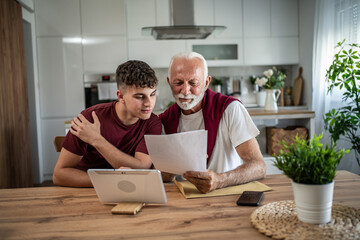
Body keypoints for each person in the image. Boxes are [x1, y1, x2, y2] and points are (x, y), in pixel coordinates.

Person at [159, 52, 266, 193]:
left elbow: (258, 166)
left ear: (206, 83)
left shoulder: (230, 109)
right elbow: (162, 174)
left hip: (227, 196)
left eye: (193, 83)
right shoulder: (164, 121)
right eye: (178, 83)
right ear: (169, 82)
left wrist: (220, 180)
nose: (185, 91)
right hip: (183, 199)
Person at [53, 60, 162, 187]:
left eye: (153, 94)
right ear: (120, 96)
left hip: (129, 189)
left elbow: (142, 169)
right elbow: (59, 175)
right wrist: (111, 180)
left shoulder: (152, 123)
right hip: (86, 191)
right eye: (140, 97)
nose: (149, 103)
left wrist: (96, 140)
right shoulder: (89, 119)